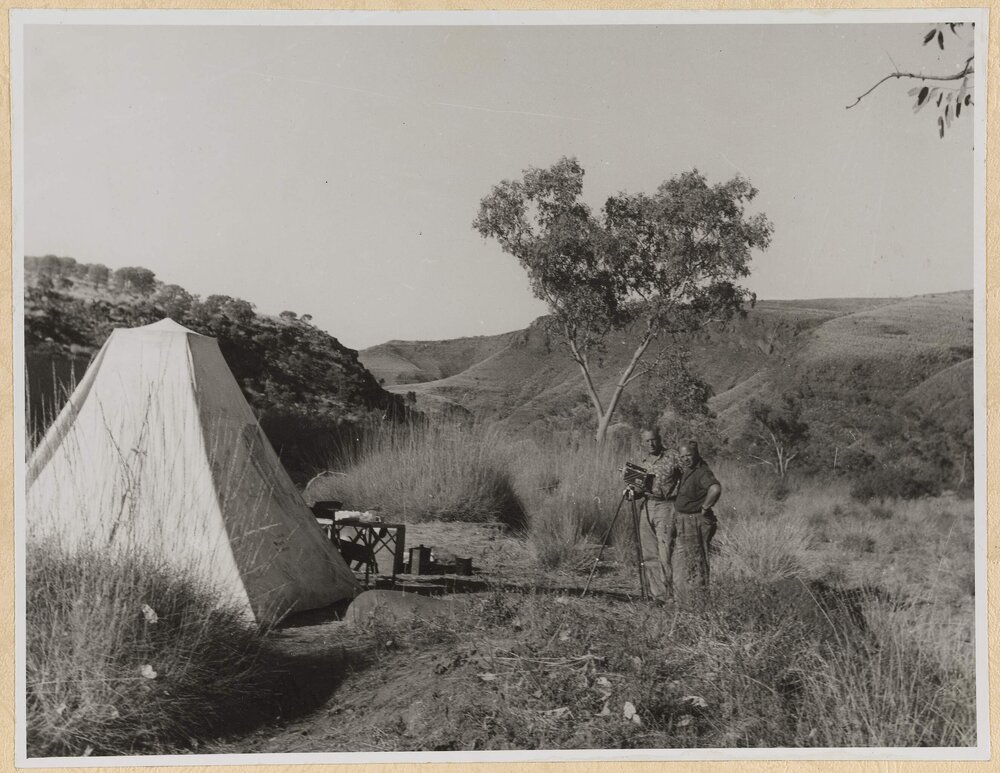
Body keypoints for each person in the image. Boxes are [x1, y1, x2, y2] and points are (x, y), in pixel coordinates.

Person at [626, 427, 681, 601]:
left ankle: (673, 595)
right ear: (643, 442)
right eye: (647, 441)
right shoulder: (643, 461)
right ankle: (658, 595)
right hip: (647, 506)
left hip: (666, 507)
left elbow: (689, 476)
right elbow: (639, 487)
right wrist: (631, 492)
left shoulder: (673, 456)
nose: (651, 443)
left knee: (665, 551)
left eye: (653, 439)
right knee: (649, 553)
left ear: (659, 438)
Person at [671, 440, 722, 600]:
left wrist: (705, 507)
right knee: (681, 562)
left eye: (689, 455)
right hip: (684, 521)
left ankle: (697, 602)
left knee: (695, 562)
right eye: (682, 456)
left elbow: (715, 488)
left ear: (697, 454)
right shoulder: (689, 470)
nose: (685, 459)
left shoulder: (702, 472)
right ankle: (682, 600)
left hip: (694, 522)